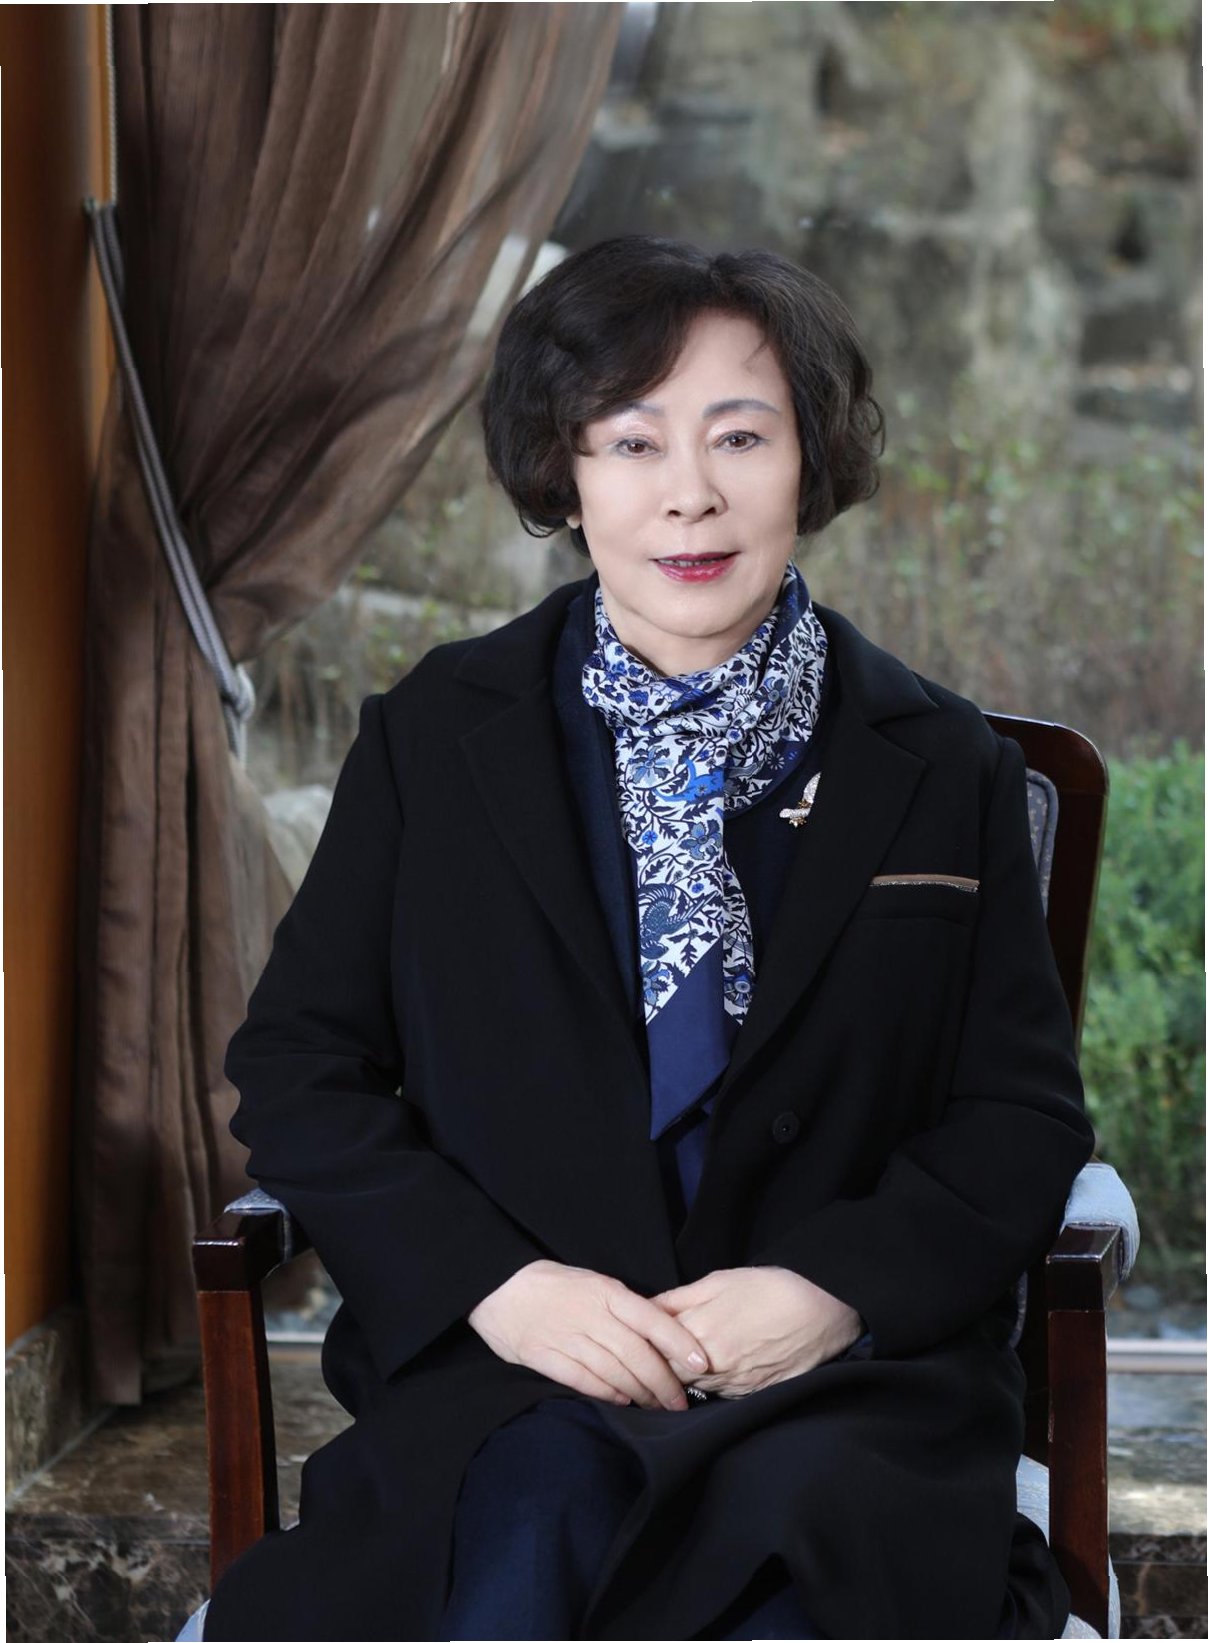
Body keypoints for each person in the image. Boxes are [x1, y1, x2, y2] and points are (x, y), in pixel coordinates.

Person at [194, 235, 1096, 1641]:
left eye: (741, 435)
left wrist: (831, 1291)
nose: (690, 493)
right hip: (518, 1376)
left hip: (839, 1392)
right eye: (630, 441)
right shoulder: (436, 738)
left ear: (811, 459)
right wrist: (501, 1290)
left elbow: (1020, 1117)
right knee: (515, 1565)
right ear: (564, 475)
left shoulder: (942, 762)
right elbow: (301, 1071)